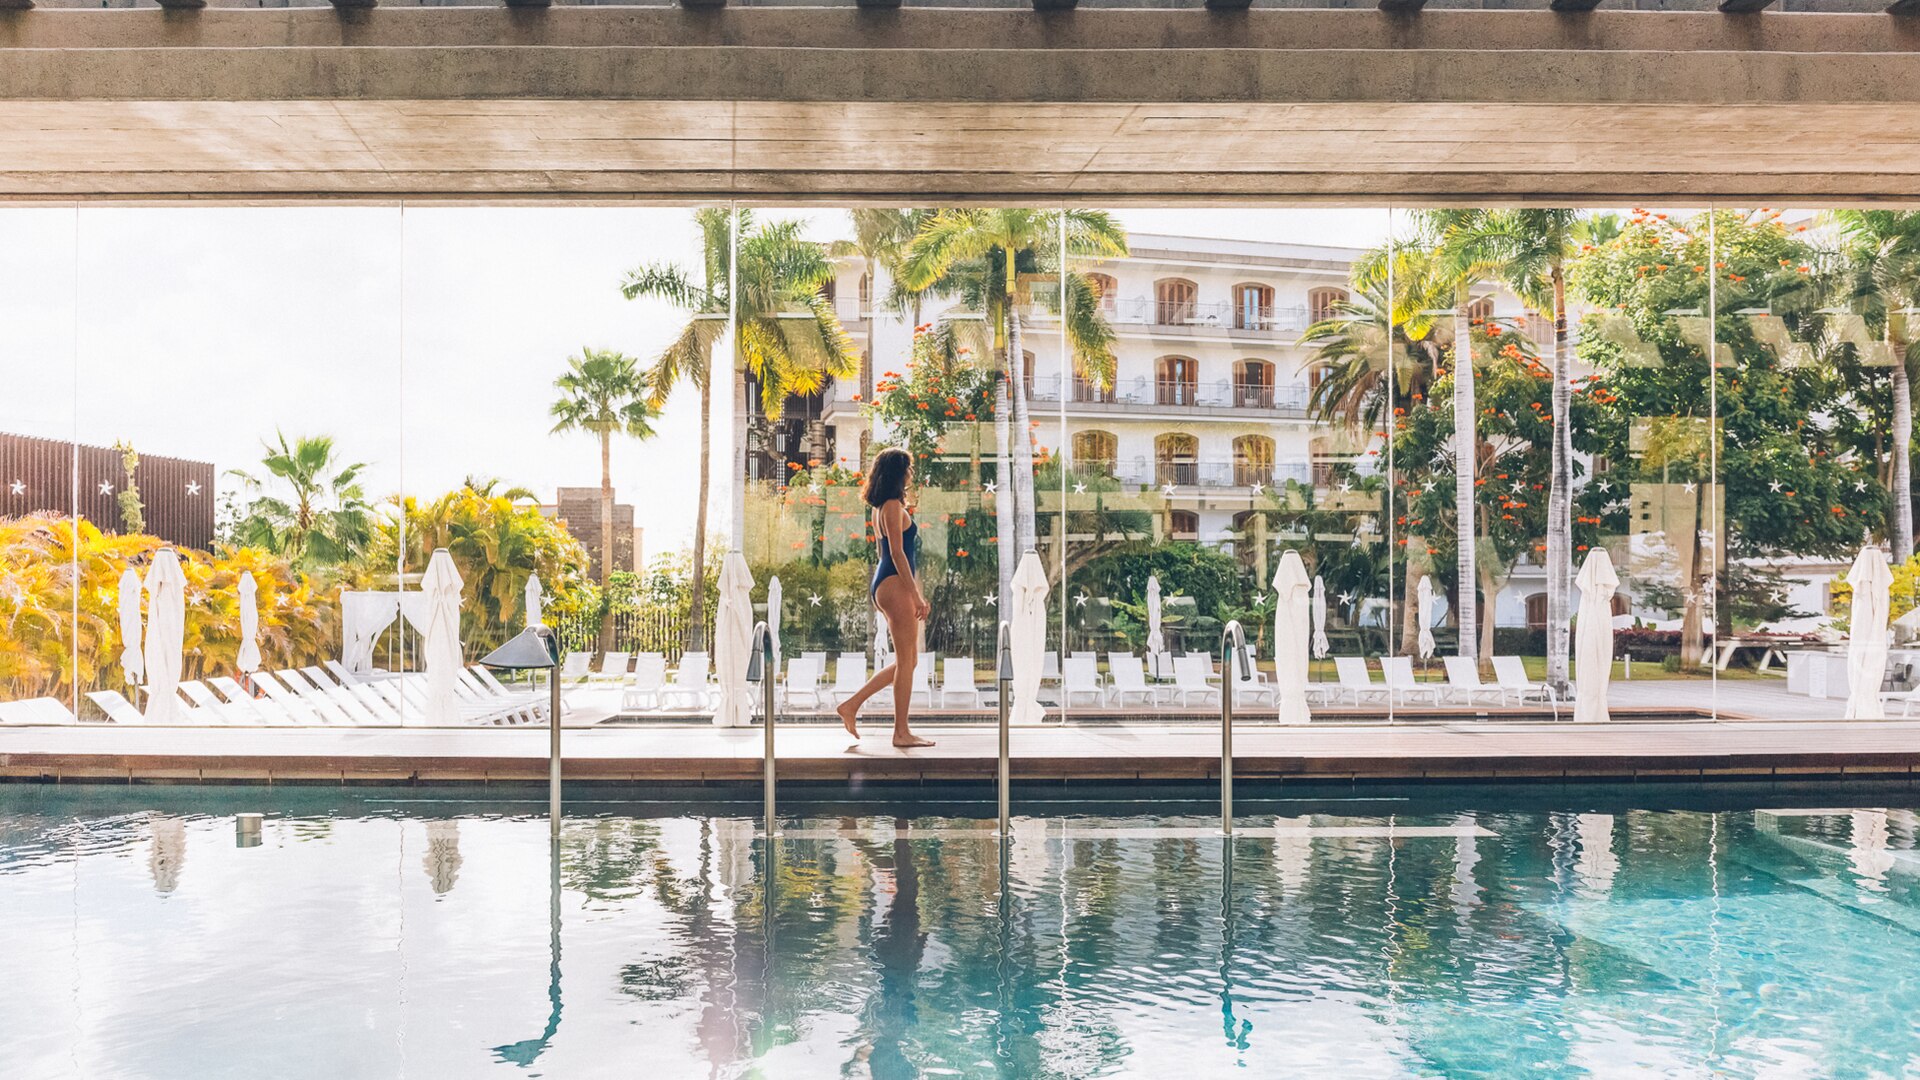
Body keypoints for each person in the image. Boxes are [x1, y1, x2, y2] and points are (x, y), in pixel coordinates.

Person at [836, 446, 935, 747]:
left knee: (909, 661)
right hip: (893, 583)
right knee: (907, 662)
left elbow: (886, 554)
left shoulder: (881, 506)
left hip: (886, 582)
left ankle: (852, 705)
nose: (911, 473)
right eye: (908, 468)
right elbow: (896, 552)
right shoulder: (892, 505)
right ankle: (901, 732)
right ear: (898, 472)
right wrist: (916, 595)